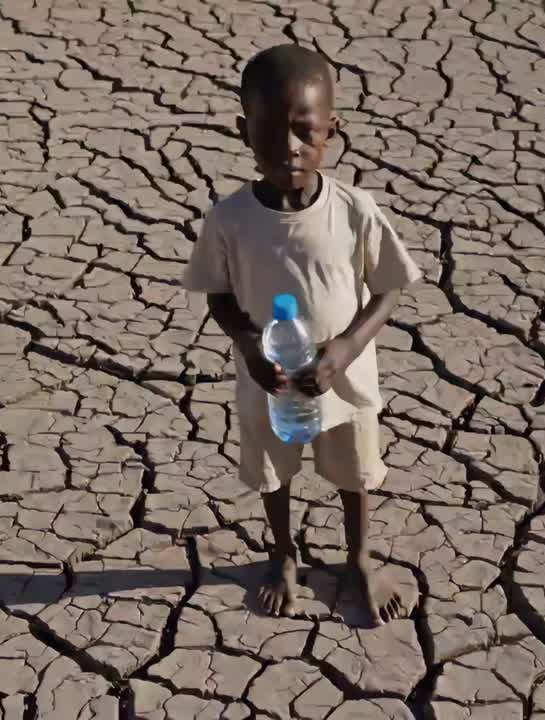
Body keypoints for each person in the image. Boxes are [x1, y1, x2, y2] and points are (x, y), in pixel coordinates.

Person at [182, 43, 422, 626]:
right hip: (271, 380)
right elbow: (219, 294)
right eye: (269, 130)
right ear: (244, 131)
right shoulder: (230, 219)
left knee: (356, 472)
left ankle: (358, 558)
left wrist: (346, 347)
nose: (288, 146)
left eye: (304, 130)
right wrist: (247, 346)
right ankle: (283, 553)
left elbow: (389, 286)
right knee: (273, 471)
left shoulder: (356, 210)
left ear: (331, 131)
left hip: (346, 379)